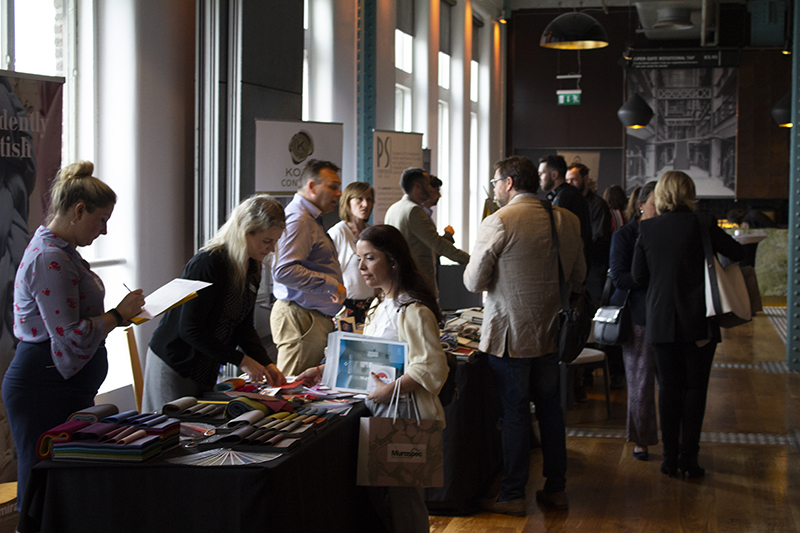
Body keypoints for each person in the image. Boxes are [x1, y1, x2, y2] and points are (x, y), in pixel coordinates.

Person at [3, 161, 146, 509]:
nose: (105, 231)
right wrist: (117, 315)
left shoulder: (65, 253)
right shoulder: (49, 258)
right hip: (42, 386)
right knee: (42, 485)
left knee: (63, 486)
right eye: (102, 219)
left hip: (60, 384)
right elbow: (69, 336)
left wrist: (118, 318)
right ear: (79, 210)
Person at [299, 224, 449, 533]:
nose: (361, 267)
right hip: (383, 409)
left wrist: (391, 389)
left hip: (405, 414)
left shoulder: (413, 309)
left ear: (392, 260)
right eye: (359, 259)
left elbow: (432, 366)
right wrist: (322, 371)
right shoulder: (380, 304)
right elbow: (367, 355)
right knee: (386, 499)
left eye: (370, 258)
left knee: (405, 501)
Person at [464, 156, 585, 515]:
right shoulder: (567, 220)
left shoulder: (499, 220)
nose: (494, 188)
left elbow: (473, 281)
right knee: (550, 411)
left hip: (511, 336)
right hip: (553, 333)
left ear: (510, 183)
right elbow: (579, 275)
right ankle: (556, 489)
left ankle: (513, 494)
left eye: (495, 182)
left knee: (515, 413)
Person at [632, 171, 744, 478]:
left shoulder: (648, 228)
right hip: (699, 318)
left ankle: (669, 458)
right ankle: (689, 458)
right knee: (695, 388)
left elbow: (638, 276)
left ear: (662, 194)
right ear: (689, 193)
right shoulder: (703, 223)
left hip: (661, 319)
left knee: (668, 388)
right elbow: (738, 252)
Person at [143, 195, 287, 412]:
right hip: (176, 363)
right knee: (169, 427)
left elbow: (243, 326)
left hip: (205, 367)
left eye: (275, 242)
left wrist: (266, 363)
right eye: (267, 241)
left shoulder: (252, 266)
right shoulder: (209, 262)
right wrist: (242, 360)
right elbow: (190, 329)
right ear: (245, 231)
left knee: (198, 427)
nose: (272, 249)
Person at [271, 159, 346, 376]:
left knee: (303, 387)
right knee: (292, 387)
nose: (339, 193)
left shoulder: (310, 219)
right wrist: (332, 285)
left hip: (308, 317)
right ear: (312, 186)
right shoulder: (300, 220)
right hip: (301, 317)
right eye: (332, 187)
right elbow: (284, 271)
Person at [609, 181, 658, 461]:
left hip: (662, 313)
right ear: (640, 205)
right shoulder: (625, 235)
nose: (660, 207)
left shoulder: (664, 232)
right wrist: (651, 280)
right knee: (640, 384)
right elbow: (618, 277)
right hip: (637, 314)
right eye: (655, 202)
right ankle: (641, 440)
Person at [384, 167, 469, 297]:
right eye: (428, 184)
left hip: (400, 281)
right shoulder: (414, 210)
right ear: (417, 186)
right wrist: (469, 259)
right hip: (417, 282)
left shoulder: (393, 208)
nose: (430, 188)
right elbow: (437, 243)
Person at [328, 181, 376, 325]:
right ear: (347, 201)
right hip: (345, 305)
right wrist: (338, 307)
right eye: (359, 199)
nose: (365, 204)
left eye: (369, 199)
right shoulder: (338, 233)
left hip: (370, 304)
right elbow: (329, 272)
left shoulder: (372, 232)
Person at [565, 163, 612, 302]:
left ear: (585, 179)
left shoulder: (598, 205)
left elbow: (600, 238)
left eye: (573, 180)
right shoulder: (571, 204)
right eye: (567, 180)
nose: (569, 184)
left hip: (595, 270)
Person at [538, 155, 591, 271]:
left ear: (554, 175)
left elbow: (562, 237)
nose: (539, 178)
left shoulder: (562, 199)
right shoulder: (573, 193)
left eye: (541, 173)